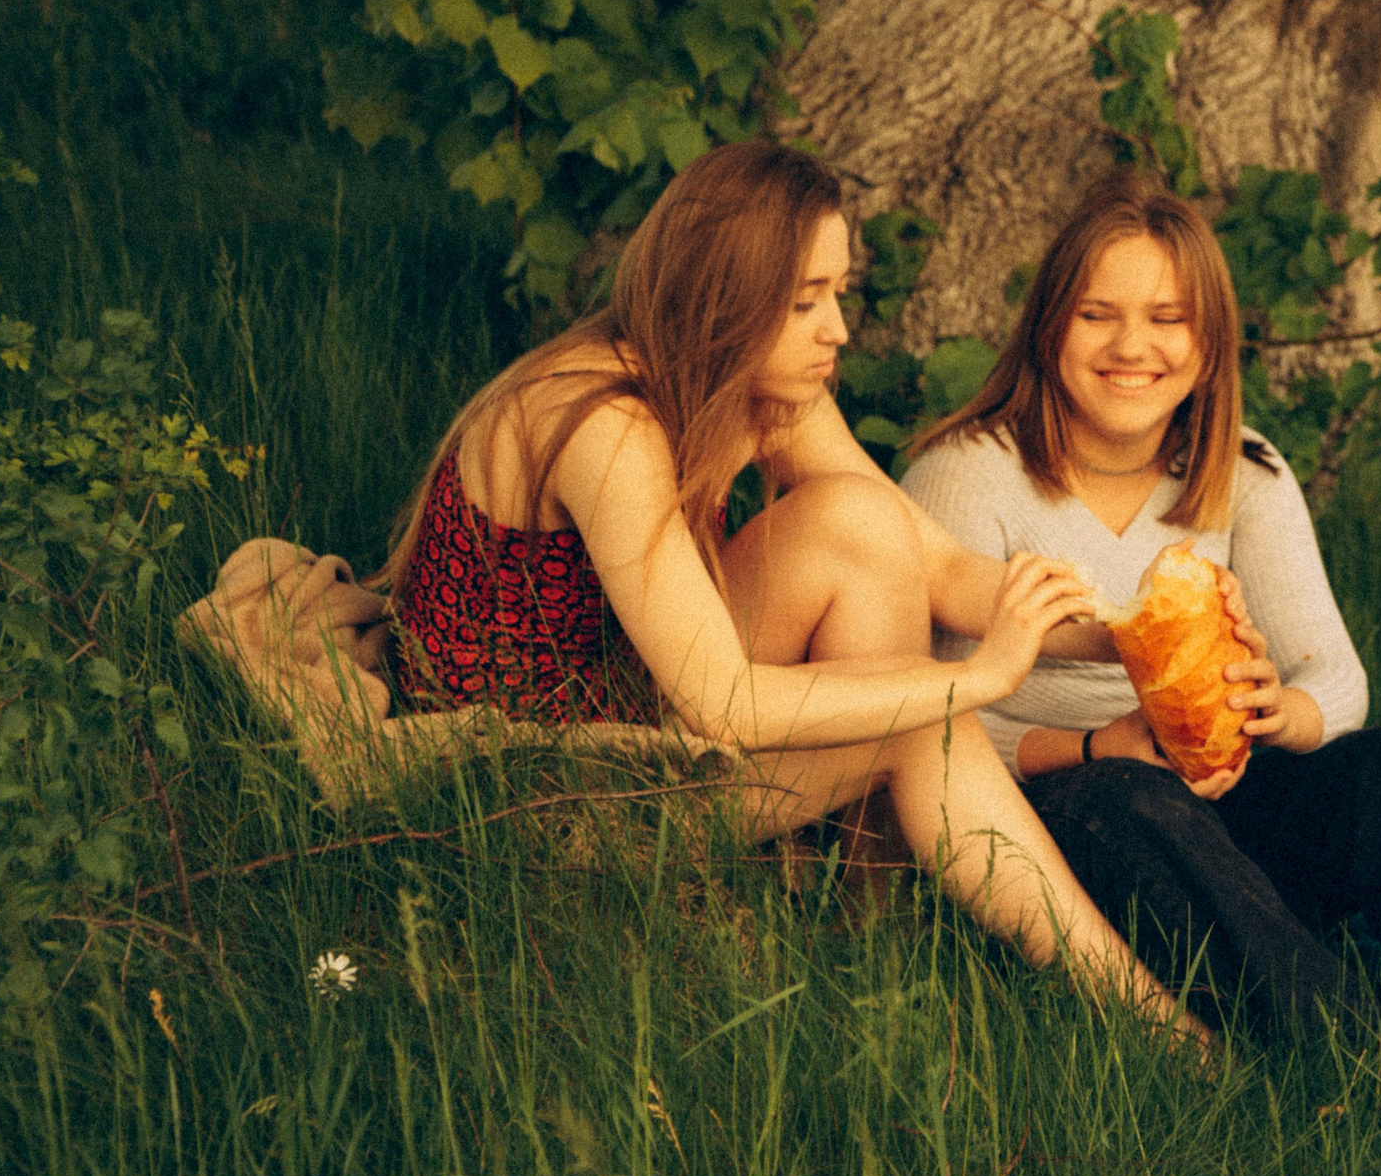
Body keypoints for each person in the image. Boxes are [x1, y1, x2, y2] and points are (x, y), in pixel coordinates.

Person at [375, 141, 1202, 1047]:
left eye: (837, 292)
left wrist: (1127, 635)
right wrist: (984, 676)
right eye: (804, 300)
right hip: (535, 788)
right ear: (721, 294)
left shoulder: (759, 384)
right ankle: (1146, 1025)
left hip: (614, 693)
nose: (837, 329)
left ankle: (866, 920)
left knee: (861, 522)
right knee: (930, 718)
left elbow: (942, 568)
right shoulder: (603, 420)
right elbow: (719, 702)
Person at [901, 169, 1381, 1075]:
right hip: (1062, 817)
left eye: (1168, 318)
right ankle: (1359, 1073)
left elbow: (1337, 676)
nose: (1133, 346)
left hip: (1215, 795)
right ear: (1049, 325)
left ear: (1209, 343)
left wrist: (1281, 711)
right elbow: (921, 731)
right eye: (1096, 314)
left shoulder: (1241, 472)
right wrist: (1096, 747)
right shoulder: (970, 473)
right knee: (1136, 798)